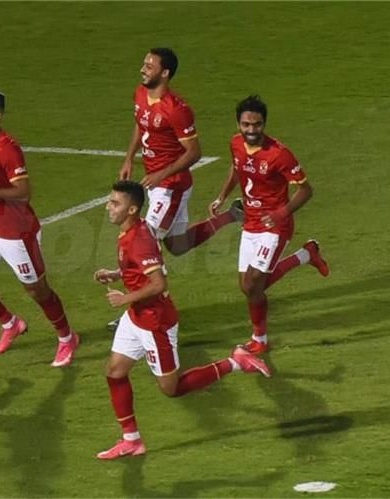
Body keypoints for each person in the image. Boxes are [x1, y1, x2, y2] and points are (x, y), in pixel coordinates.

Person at [94, 180, 271, 460]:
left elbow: (158, 283)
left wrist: (124, 298)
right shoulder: (132, 231)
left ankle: (236, 362)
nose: (108, 207)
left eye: (115, 203)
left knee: (171, 388)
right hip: (137, 316)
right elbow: (141, 267)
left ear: (132, 209)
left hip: (155, 322)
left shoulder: (139, 239)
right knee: (115, 372)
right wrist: (116, 274)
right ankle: (131, 440)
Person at [108, 47, 242, 331]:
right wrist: (129, 158)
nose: (143, 69)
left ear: (165, 72)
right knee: (177, 246)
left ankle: (139, 310)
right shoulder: (140, 94)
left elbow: (194, 152)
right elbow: (140, 125)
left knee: (144, 241)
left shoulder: (177, 110)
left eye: (149, 66)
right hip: (157, 183)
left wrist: (161, 174)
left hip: (171, 187)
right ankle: (231, 216)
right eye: (144, 64)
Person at [0, 89, 79, 367]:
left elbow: (23, 193)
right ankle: (11, 324)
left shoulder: (8, 149)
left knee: (37, 291)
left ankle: (67, 338)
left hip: (17, 233)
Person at [209, 95, 329, 354]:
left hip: (275, 228)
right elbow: (236, 168)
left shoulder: (279, 154)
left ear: (264, 124)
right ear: (238, 124)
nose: (251, 130)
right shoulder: (235, 143)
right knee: (247, 287)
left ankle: (260, 340)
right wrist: (222, 196)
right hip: (251, 223)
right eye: (246, 125)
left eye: (257, 124)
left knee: (254, 286)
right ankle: (306, 254)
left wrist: (280, 213)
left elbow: (306, 190)